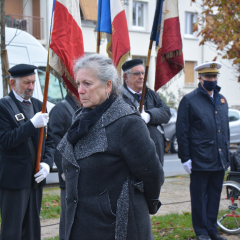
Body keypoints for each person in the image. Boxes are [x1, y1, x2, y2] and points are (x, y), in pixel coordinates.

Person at [57, 54, 164, 240]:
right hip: (79, 221)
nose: (80, 90)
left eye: (87, 84)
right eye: (78, 83)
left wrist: (138, 203)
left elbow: (152, 174)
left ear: (108, 86)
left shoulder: (127, 122)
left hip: (115, 225)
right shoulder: (81, 117)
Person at [0, 64, 55, 240]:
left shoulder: (40, 105)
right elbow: (6, 141)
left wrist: (47, 163)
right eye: (26, 83)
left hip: (35, 179)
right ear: (12, 84)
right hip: (13, 181)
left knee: (32, 231)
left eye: (33, 82)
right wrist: (31, 124)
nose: (31, 87)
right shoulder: (3, 107)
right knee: (12, 231)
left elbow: (50, 140)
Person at [176, 62, 229, 240]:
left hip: (219, 158)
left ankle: (212, 230)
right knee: (199, 197)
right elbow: (182, 131)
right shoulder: (189, 100)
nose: (212, 80)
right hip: (199, 158)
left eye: (214, 77)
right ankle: (201, 231)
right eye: (208, 77)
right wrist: (185, 157)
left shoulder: (221, 99)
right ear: (200, 78)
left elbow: (224, 130)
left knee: (214, 196)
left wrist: (226, 154)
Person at [121, 59, 171, 166]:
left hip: (155, 152)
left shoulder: (152, 94)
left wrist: (149, 115)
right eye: (136, 73)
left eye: (143, 73)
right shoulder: (118, 98)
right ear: (126, 77)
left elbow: (166, 113)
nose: (141, 76)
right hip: (133, 153)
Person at [49, 90, 80, 240]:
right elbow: (55, 143)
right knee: (69, 220)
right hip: (68, 173)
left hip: (85, 173)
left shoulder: (88, 107)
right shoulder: (59, 110)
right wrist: (64, 171)